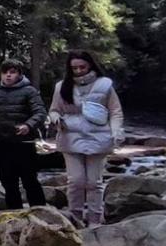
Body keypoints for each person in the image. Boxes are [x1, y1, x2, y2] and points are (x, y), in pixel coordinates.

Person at [50, 50, 124, 227]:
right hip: (70, 137)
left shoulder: (105, 85)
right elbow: (54, 109)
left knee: (94, 182)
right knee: (75, 181)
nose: (78, 71)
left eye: (82, 67)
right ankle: (75, 218)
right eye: (74, 68)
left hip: (99, 138)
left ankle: (94, 219)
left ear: (90, 65)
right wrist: (55, 119)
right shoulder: (62, 87)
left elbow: (115, 111)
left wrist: (116, 131)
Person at [0, 58, 47, 208]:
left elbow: (40, 113)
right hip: (2, 145)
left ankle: (41, 213)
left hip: (24, 145)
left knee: (30, 182)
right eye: (5, 72)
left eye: (12, 72)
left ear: (20, 74)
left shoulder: (29, 91)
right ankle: (14, 216)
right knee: (9, 184)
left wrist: (28, 125)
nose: (8, 75)